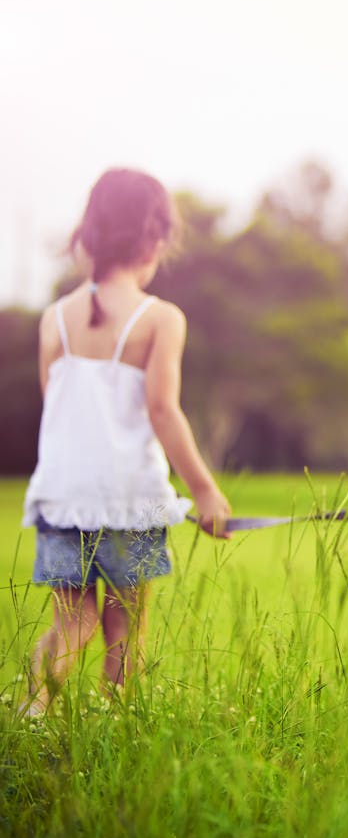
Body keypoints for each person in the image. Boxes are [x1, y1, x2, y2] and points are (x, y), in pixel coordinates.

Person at [21, 167, 231, 716]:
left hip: (63, 496)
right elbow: (163, 411)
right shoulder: (160, 318)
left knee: (73, 621)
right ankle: (119, 724)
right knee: (125, 629)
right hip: (129, 501)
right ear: (155, 241)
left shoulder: (54, 320)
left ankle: (29, 710)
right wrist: (204, 491)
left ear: (86, 237)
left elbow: (56, 406)